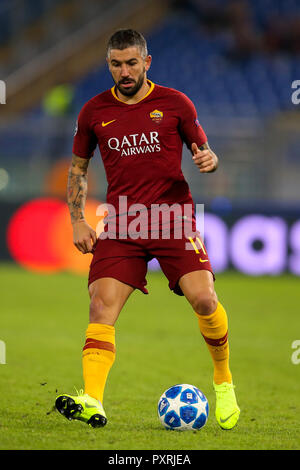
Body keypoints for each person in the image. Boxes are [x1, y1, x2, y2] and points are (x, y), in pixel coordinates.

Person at [55, 29, 240, 430]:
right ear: (109, 65)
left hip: (173, 219)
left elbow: (203, 151)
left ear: (147, 62)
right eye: (116, 64)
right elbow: (77, 170)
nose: (124, 71)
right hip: (122, 222)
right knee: (101, 305)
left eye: (131, 63)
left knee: (205, 299)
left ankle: (224, 381)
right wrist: (77, 219)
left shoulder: (175, 103)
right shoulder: (93, 111)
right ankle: (92, 400)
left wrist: (210, 160)